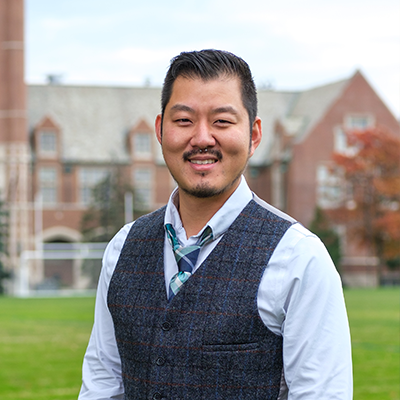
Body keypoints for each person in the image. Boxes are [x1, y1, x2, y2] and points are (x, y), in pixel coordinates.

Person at [78, 49, 352, 400]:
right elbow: (102, 386)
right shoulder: (122, 249)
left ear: (253, 136)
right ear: (161, 131)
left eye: (222, 121)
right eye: (184, 121)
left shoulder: (299, 258)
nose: (202, 138)